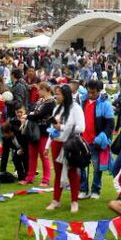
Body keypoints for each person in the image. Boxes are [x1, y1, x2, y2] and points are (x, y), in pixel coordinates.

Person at [47, 83, 86, 213]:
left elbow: (81, 127)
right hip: (56, 144)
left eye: (58, 94)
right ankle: (56, 200)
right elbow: (52, 129)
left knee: (72, 173)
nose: (55, 96)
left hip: (70, 145)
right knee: (58, 173)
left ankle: (74, 201)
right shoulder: (56, 109)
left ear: (65, 95)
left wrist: (62, 127)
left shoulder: (75, 108)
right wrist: (47, 146)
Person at [80, 80, 115, 199]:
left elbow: (110, 124)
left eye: (93, 92)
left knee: (97, 168)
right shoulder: (82, 101)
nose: (90, 94)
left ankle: (96, 190)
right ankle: (83, 189)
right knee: (81, 166)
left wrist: (102, 137)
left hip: (96, 141)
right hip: (83, 140)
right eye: (89, 92)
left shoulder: (105, 104)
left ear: (99, 91)